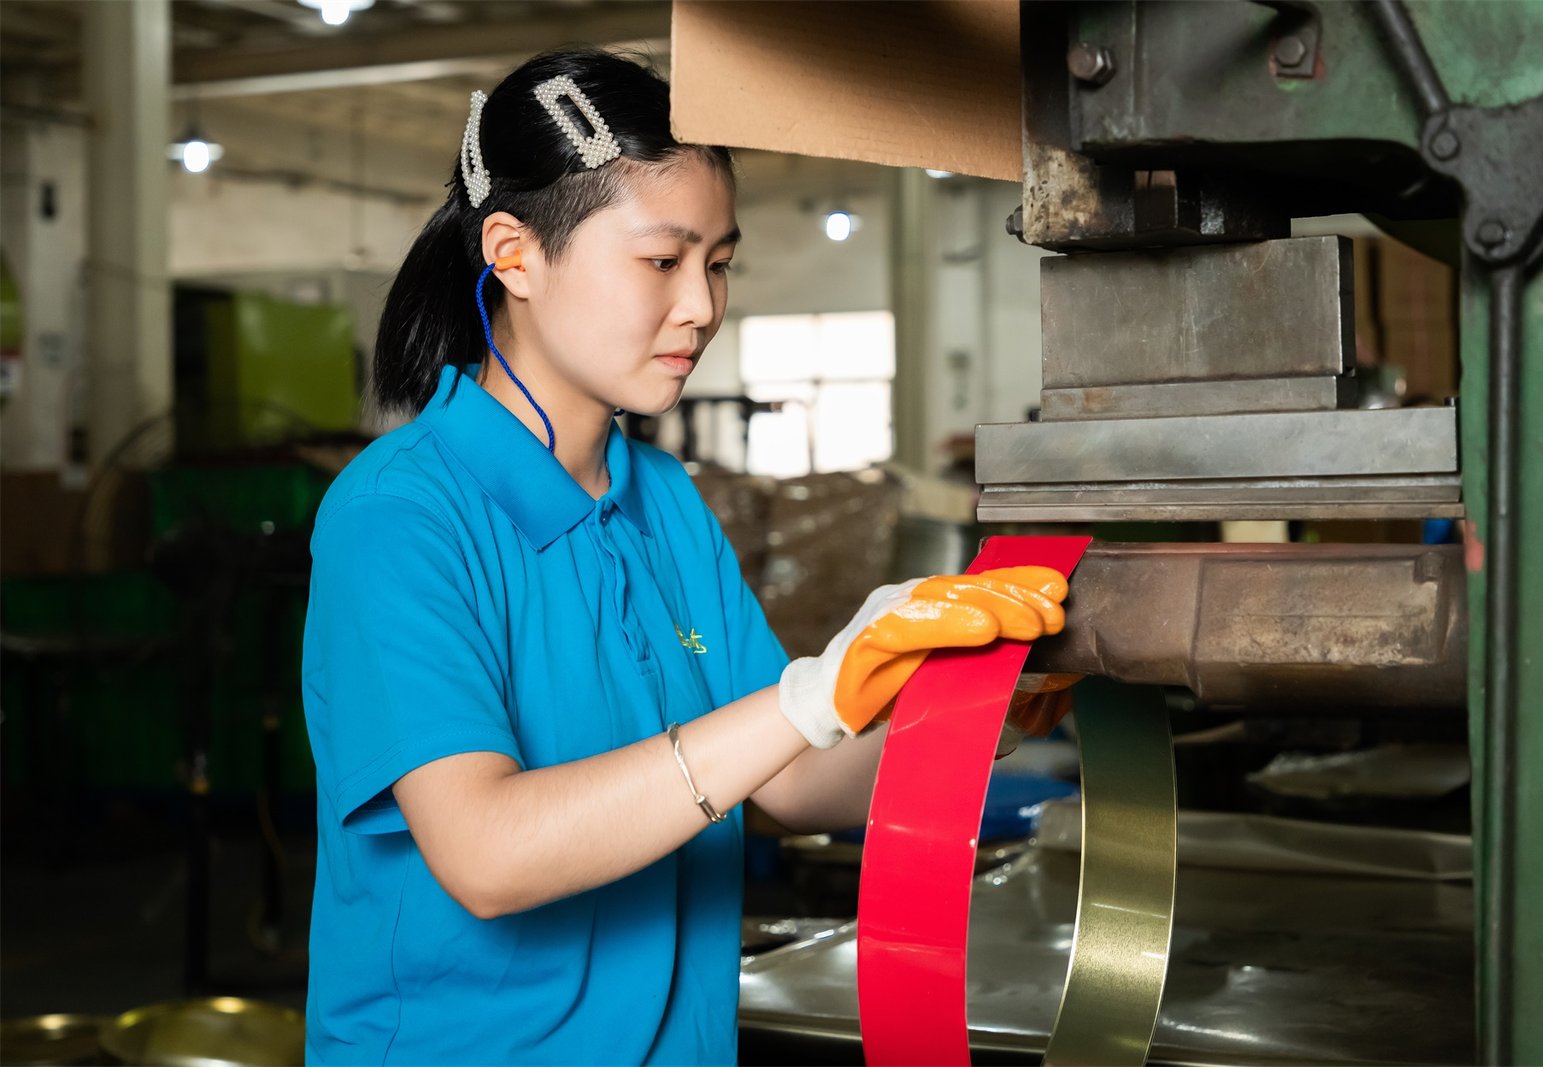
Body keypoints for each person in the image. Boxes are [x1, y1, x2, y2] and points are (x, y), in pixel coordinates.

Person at [300, 49, 1067, 1065]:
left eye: (719, 262)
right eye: (663, 261)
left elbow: (785, 786)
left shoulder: (658, 496)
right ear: (513, 253)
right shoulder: (401, 513)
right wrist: (804, 694)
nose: (703, 304)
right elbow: (487, 852)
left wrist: (977, 711)